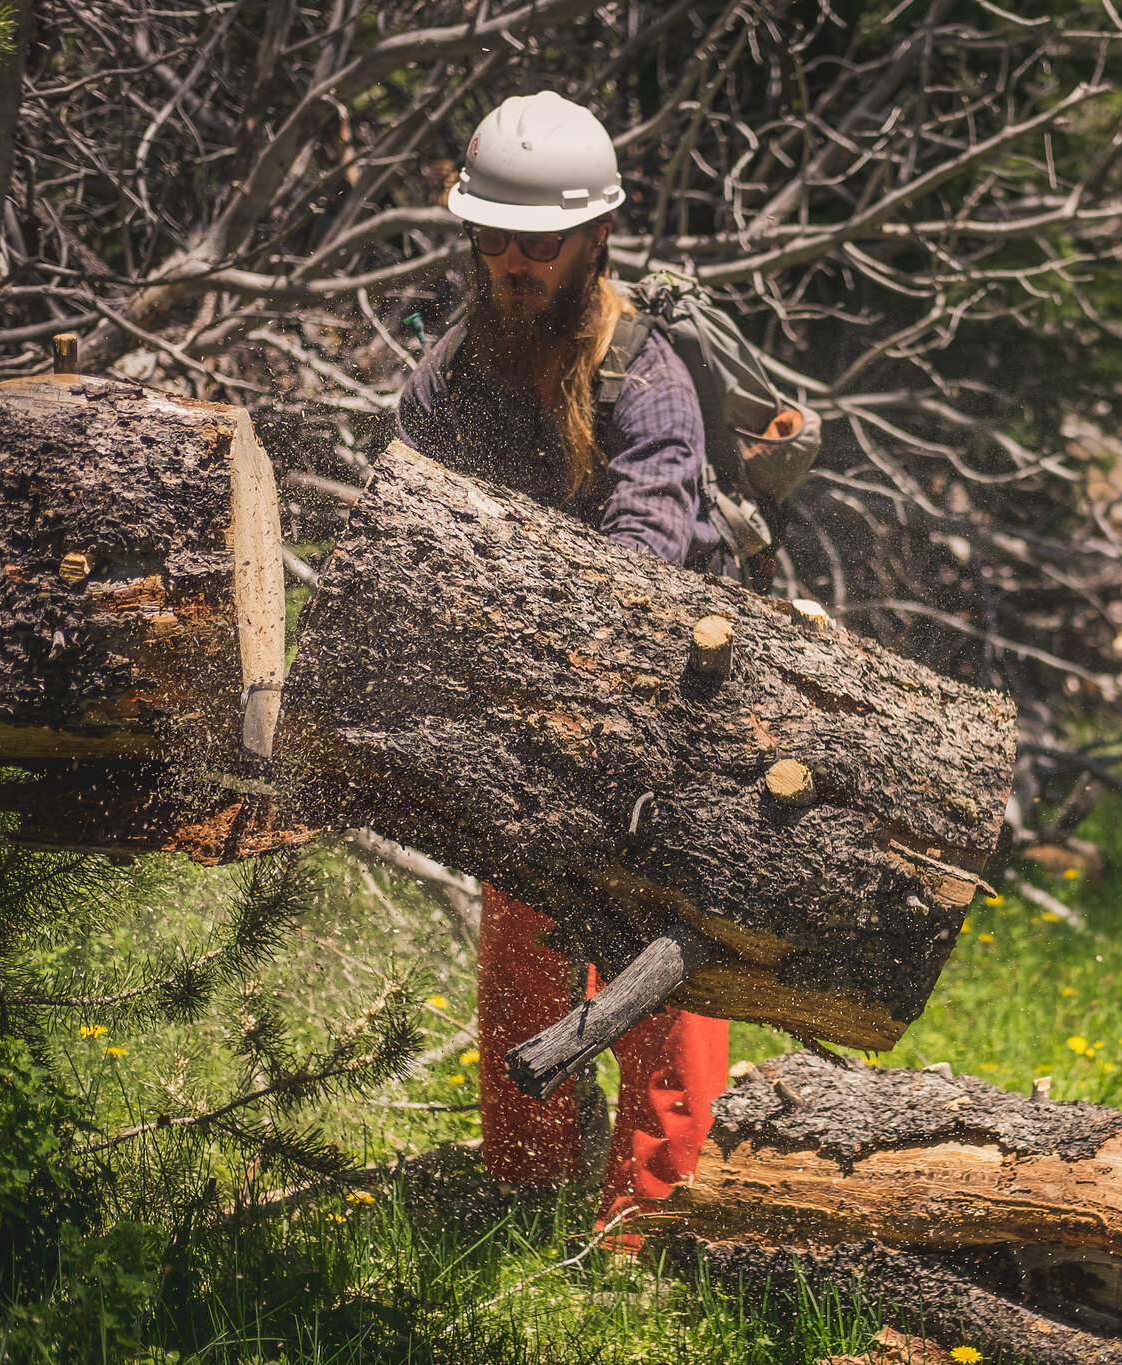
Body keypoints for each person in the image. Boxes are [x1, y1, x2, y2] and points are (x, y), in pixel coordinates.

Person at [394, 90, 729, 1251]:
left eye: (538, 243)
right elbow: (412, 528)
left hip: (670, 705)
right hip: (519, 718)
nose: (514, 261)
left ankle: (648, 1226)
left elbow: (646, 563)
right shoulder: (451, 376)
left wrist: (559, 661)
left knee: (662, 973)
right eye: (493, 238)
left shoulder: (647, 378)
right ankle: (521, 1194)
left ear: (596, 238)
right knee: (524, 950)